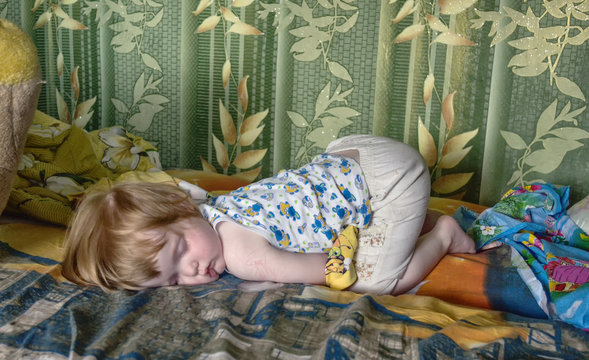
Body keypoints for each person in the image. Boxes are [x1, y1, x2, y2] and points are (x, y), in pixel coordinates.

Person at [62, 135, 475, 294]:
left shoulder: (244, 257)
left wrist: (341, 264)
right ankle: (406, 222)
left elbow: (329, 269)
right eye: (173, 278)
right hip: (352, 151)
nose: (193, 271)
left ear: (181, 210)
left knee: (379, 280)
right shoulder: (200, 205)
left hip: (390, 177)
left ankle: (444, 235)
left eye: (181, 250)